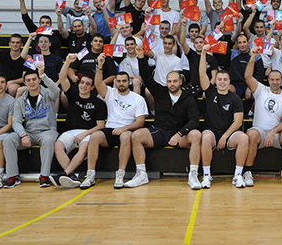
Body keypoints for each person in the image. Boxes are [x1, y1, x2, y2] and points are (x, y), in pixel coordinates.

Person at [126, 45, 202, 189]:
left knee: (196, 135)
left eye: (174, 81)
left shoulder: (188, 97)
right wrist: (141, 56)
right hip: (160, 131)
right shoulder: (160, 92)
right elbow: (146, 78)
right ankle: (141, 174)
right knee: (136, 136)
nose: (172, 84)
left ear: (180, 81)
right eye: (169, 81)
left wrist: (180, 134)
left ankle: (193, 175)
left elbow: (194, 120)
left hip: (179, 134)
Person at [79, 54, 148, 189]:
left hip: (126, 129)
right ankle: (90, 175)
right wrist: (99, 66)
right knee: (94, 136)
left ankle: (120, 174)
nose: (121, 83)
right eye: (119, 81)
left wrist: (124, 128)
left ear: (129, 82)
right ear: (115, 82)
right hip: (110, 128)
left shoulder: (137, 99)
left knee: (126, 136)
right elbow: (97, 84)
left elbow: (140, 122)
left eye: (124, 81)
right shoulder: (110, 92)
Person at [50, 54, 107, 188]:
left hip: (89, 132)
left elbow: (100, 126)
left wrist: (84, 134)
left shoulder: (99, 103)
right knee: (58, 146)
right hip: (71, 131)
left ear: (92, 87)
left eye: (87, 84)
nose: (83, 86)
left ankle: (65, 173)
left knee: (84, 147)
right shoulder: (73, 94)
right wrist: (67, 62)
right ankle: (71, 176)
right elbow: (62, 78)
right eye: (82, 83)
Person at [243, 47, 282, 187]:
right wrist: (253, 57)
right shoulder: (261, 90)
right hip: (260, 133)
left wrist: (273, 132)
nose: (275, 82)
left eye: (277, 79)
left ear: (281, 80)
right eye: (272, 79)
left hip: (276, 135)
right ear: (268, 80)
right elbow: (248, 77)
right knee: (252, 134)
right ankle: (247, 172)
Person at [198, 47, 248, 188]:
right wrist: (203, 54)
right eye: (219, 79)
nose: (222, 82)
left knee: (244, 138)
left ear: (229, 81)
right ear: (215, 80)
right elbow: (202, 73)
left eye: (225, 79)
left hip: (228, 133)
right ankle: (206, 175)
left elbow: (238, 121)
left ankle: (238, 175)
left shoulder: (235, 98)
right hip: (212, 131)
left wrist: (225, 136)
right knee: (205, 137)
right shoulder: (210, 92)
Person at [2, 65, 59, 188]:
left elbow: (56, 91)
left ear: (39, 80)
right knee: (8, 139)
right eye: (28, 80)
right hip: (29, 132)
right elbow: (16, 121)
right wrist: (23, 135)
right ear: (24, 83)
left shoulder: (48, 94)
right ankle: (12, 176)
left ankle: (44, 176)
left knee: (49, 140)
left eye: (34, 79)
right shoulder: (20, 100)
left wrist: (43, 75)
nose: (31, 82)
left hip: (47, 131)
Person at [179, 18, 218, 97]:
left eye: (201, 42)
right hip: (193, 87)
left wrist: (208, 89)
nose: (199, 44)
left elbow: (214, 76)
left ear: (205, 44)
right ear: (194, 46)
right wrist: (183, 26)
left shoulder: (211, 58)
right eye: (196, 43)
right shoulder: (191, 54)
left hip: (207, 86)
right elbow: (182, 42)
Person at [229, 33, 265, 100]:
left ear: (248, 43)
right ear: (237, 44)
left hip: (250, 84)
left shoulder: (256, 56)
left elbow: (260, 74)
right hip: (236, 85)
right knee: (228, 89)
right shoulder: (233, 54)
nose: (242, 45)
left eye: (244, 42)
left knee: (250, 94)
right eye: (240, 42)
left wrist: (252, 86)